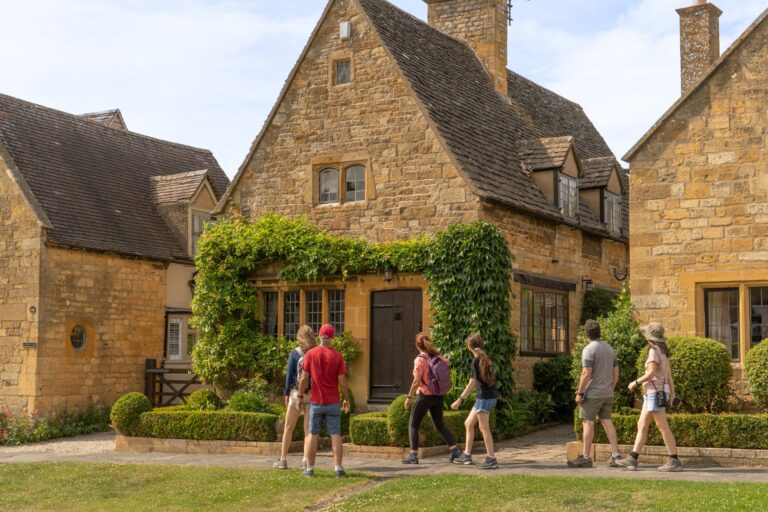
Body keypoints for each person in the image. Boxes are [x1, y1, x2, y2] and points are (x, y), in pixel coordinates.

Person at [616, 322, 682, 472]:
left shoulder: (653, 351)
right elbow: (669, 376)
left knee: (662, 426)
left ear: (649, 337)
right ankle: (633, 458)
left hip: (654, 393)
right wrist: (672, 394)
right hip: (657, 393)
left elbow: (651, 373)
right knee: (642, 424)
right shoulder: (663, 352)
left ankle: (674, 460)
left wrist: (635, 382)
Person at [568, 319, 623, 468]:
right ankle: (616, 455)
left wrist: (579, 393)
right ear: (599, 332)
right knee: (607, 421)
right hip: (607, 392)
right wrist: (611, 387)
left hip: (593, 394)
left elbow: (586, 372)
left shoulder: (589, 349)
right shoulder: (610, 349)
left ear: (587, 333)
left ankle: (586, 457)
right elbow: (616, 371)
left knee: (588, 422)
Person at [298, 324, 350, 478]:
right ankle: (338, 469)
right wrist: (346, 398)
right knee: (335, 434)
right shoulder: (337, 356)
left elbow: (304, 378)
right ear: (332, 338)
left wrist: (300, 396)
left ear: (319, 336)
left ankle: (309, 469)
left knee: (312, 434)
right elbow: (342, 381)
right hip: (333, 401)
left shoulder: (311, 354)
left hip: (316, 402)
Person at [401, 332, 461, 465]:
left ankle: (413, 455)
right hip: (438, 395)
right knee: (439, 425)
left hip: (424, 396)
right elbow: (447, 366)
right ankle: (454, 450)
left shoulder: (420, 359)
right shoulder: (439, 357)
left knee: (413, 424)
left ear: (417, 345)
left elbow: (416, 381)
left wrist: (409, 397)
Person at [451, 333, 499, 470]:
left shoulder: (477, 360)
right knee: (468, 423)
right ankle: (467, 455)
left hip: (484, 398)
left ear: (469, 346)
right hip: (489, 397)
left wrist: (459, 400)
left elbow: (472, 382)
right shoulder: (485, 358)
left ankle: (491, 459)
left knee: (484, 428)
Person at [273, 325, 315, 470]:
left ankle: (283, 459)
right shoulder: (315, 352)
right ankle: (305, 460)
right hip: (311, 394)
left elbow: (289, 375)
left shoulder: (295, 353)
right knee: (307, 431)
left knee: (288, 427)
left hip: (296, 394)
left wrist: (286, 394)